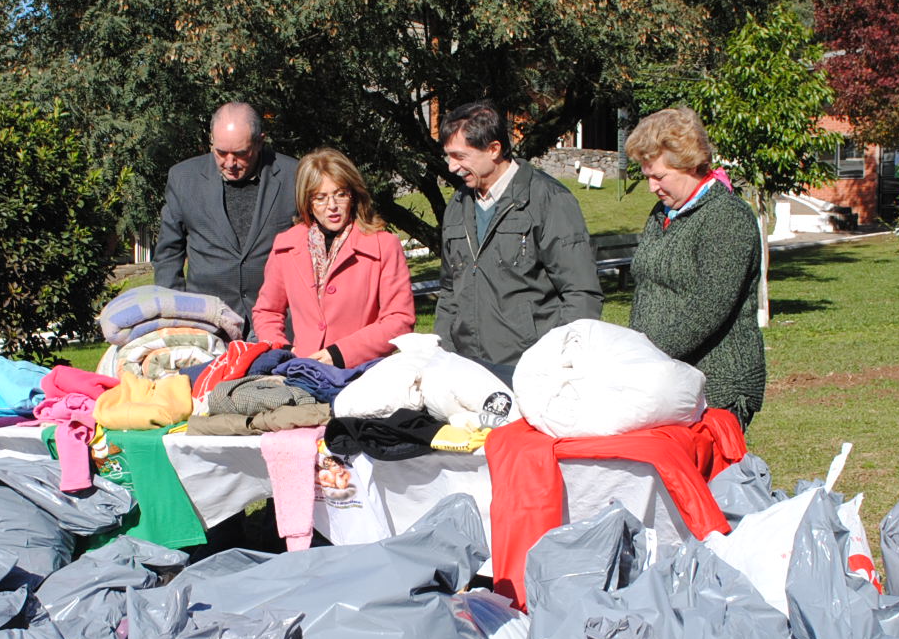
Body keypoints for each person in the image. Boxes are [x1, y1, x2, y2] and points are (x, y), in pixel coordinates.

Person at [433, 100, 601, 368]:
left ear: (493, 149)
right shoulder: (457, 205)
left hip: (531, 370)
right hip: (466, 368)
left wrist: (558, 363)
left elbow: (580, 293)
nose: (452, 167)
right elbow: (449, 291)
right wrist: (442, 353)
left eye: (460, 156)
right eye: (449, 156)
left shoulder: (549, 200)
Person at [624, 107, 765, 427]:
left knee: (705, 478)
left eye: (659, 176)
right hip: (667, 378)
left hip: (715, 386)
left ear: (688, 164)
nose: (651, 187)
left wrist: (640, 355)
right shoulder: (662, 212)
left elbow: (707, 306)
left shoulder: (725, 218)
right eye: (647, 177)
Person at [250, 148, 415, 365]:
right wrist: (286, 351)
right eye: (320, 198)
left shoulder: (383, 245)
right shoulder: (286, 246)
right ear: (307, 202)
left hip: (362, 373)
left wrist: (339, 354)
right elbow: (267, 312)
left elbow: (400, 319)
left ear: (353, 196)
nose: (332, 207)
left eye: (340, 194)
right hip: (303, 372)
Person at [152, 101, 300, 330]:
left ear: (260, 141)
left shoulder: (295, 176)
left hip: (279, 324)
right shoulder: (183, 178)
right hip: (206, 325)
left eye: (241, 154)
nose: (229, 163)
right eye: (221, 152)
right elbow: (168, 254)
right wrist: (176, 317)